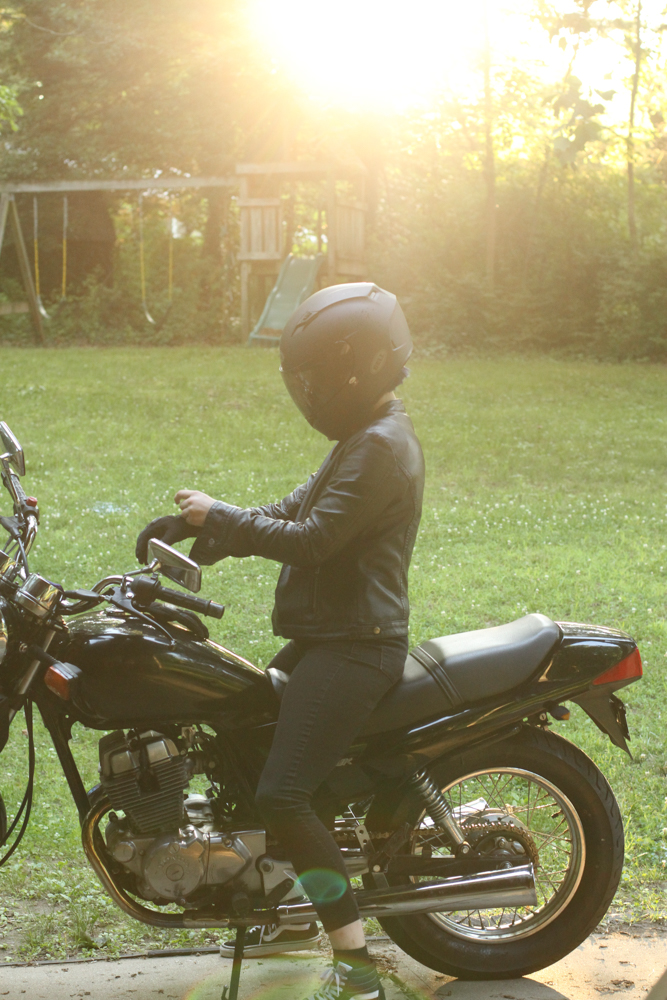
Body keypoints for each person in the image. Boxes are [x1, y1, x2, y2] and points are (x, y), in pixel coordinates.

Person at [136, 282, 425, 1000]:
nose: (307, 391)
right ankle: (291, 904)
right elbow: (288, 511)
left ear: (354, 374)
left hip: (355, 645)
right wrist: (203, 533)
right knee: (249, 744)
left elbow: (315, 540)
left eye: (315, 378)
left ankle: (356, 970)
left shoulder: (380, 450)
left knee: (283, 794)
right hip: (328, 636)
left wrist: (224, 519)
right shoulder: (361, 439)